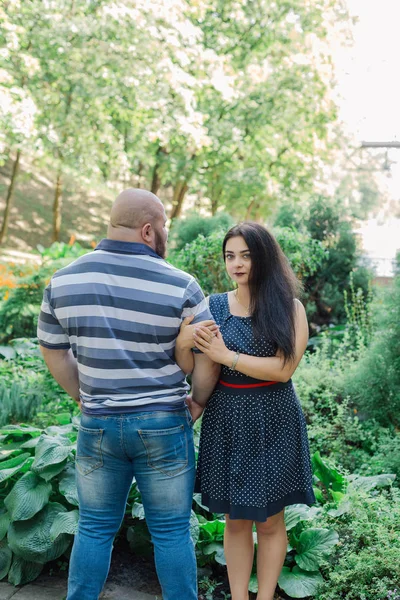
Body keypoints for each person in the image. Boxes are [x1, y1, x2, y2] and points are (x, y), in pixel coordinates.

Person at [37, 188, 220, 600]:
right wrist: (199, 400)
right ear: (148, 229)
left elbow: (52, 350)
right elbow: (208, 356)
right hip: (163, 423)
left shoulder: (64, 280)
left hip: (98, 425)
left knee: (94, 527)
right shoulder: (181, 285)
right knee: (172, 531)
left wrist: (82, 396)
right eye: (164, 228)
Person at [176, 222, 315, 600]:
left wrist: (226, 355)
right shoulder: (215, 306)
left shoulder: (290, 308)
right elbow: (193, 363)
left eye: (246, 255)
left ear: (264, 257)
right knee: (234, 520)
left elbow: (284, 369)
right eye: (230, 256)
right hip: (227, 419)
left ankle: (264, 597)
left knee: (271, 521)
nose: (236, 264)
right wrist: (186, 343)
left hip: (274, 418)